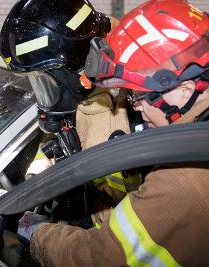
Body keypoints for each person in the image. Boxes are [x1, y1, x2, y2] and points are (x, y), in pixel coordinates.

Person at [29, 0, 209, 266]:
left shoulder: (184, 179)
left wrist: (37, 235)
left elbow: (100, 259)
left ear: (183, 89)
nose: (137, 108)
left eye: (138, 96)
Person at [0, 0, 140, 228]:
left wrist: (87, 224)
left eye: (45, 79)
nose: (45, 94)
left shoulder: (141, 99)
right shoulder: (85, 96)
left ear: (79, 61)